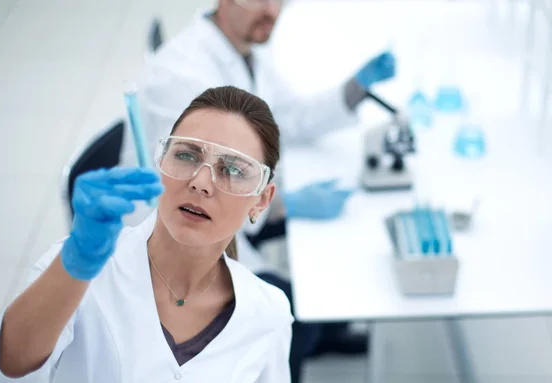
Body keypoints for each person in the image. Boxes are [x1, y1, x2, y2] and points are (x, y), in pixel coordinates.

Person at [122, 1, 396, 381]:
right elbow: (198, 189)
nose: (271, 10)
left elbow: (288, 117)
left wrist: (356, 87)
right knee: (293, 310)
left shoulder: (243, 49)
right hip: (178, 234)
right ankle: (306, 339)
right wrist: (284, 206)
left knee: (335, 240)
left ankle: (325, 331)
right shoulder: (182, 76)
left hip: (220, 208)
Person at [0, 86, 294, 383]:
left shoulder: (269, 313)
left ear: (262, 200)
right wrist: (77, 264)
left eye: (233, 169)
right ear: (160, 160)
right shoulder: (77, 273)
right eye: (187, 155)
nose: (201, 182)